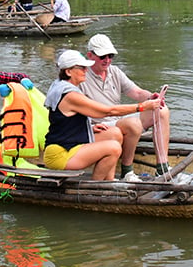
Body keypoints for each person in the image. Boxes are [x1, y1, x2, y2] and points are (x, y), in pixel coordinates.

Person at [43, 49, 161, 181]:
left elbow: (63, 120)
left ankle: (109, 180)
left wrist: (88, 127)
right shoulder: (71, 95)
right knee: (114, 148)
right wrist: (143, 106)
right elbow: (107, 111)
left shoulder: (61, 86)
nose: (86, 71)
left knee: (115, 133)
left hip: (70, 143)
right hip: (61, 154)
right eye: (82, 68)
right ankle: (96, 187)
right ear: (68, 71)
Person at [80, 34, 172, 181]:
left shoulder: (114, 72)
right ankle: (127, 171)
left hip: (117, 119)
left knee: (161, 110)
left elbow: (136, 92)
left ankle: (162, 166)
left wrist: (151, 97)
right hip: (99, 125)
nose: (107, 60)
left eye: (110, 56)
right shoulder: (81, 76)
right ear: (90, 55)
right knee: (132, 123)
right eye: (103, 56)